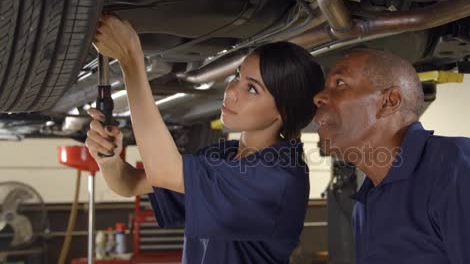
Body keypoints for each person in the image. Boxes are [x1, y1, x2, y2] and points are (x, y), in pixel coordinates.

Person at [85, 15, 325, 263]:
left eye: (251, 88)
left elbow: (165, 172)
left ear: (282, 112)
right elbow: (131, 184)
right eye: (237, 76)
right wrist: (109, 159)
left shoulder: (279, 176)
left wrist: (131, 58)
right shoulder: (224, 157)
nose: (231, 91)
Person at [313, 48, 470, 264]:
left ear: (389, 101)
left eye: (339, 83)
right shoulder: (366, 204)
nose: (319, 97)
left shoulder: (457, 168)